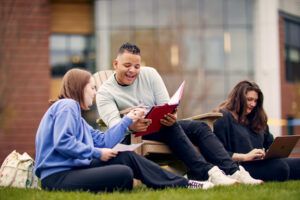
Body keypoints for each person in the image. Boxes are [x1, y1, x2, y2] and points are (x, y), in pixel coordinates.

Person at [96, 42, 263, 186]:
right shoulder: (105, 93)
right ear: (115, 63)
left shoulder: (150, 74)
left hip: (159, 126)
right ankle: (209, 173)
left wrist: (171, 115)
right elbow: (113, 127)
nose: (132, 70)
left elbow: (166, 105)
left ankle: (233, 171)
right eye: (127, 65)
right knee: (169, 127)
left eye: (137, 66)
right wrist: (130, 125)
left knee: (199, 127)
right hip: (130, 135)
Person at [34, 68, 216, 193]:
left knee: (126, 158)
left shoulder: (77, 118)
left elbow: (104, 141)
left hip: (72, 170)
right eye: (92, 87)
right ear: (79, 88)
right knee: (124, 174)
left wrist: (127, 121)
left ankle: (184, 184)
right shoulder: (68, 105)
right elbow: (62, 142)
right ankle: (181, 183)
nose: (94, 93)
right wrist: (97, 152)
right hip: (57, 177)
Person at [213, 80, 300, 181]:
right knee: (281, 167)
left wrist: (267, 152)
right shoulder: (223, 117)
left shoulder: (257, 117)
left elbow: (269, 144)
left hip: (259, 162)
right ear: (238, 98)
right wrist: (245, 156)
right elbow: (217, 153)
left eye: (255, 101)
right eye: (249, 99)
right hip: (239, 166)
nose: (253, 104)